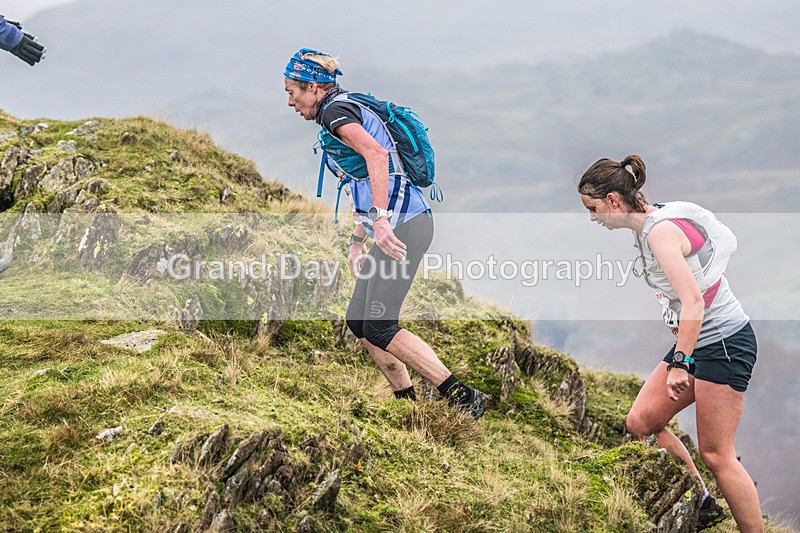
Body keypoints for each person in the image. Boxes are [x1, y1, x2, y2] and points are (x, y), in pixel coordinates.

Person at [283, 48, 488, 419]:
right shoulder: (342, 107)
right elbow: (369, 177)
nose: (290, 101)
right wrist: (358, 240)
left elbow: (377, 157)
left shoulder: (334, 111)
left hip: (404, 226)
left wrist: (379, 221)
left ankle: (463, 397)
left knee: (379, 324)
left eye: (291, 91)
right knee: (360, 322)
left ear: (312, 86)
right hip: (399, 226)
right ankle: (407, 404)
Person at [577, 155, 762, 532]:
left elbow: (693, 300)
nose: (592, 218)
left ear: (613, 200)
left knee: (717, 453)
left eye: (593, 208)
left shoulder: (659, 233)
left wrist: (682, 362)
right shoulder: (648, 223)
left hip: (724, 342)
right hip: (697, 340)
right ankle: (703, 501)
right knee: (642, 422)